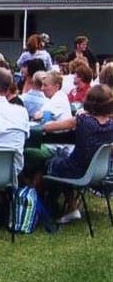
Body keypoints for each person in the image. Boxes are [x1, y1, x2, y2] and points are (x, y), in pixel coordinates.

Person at [40, 85, 113, 223]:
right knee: (61, 162)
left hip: (78, 170)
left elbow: (50, 127)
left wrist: (38, 126)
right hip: (100, 171)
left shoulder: (83, 120)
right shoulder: (111, 124)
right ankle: (69, 206)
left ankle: (55, 207)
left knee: (51, 162)